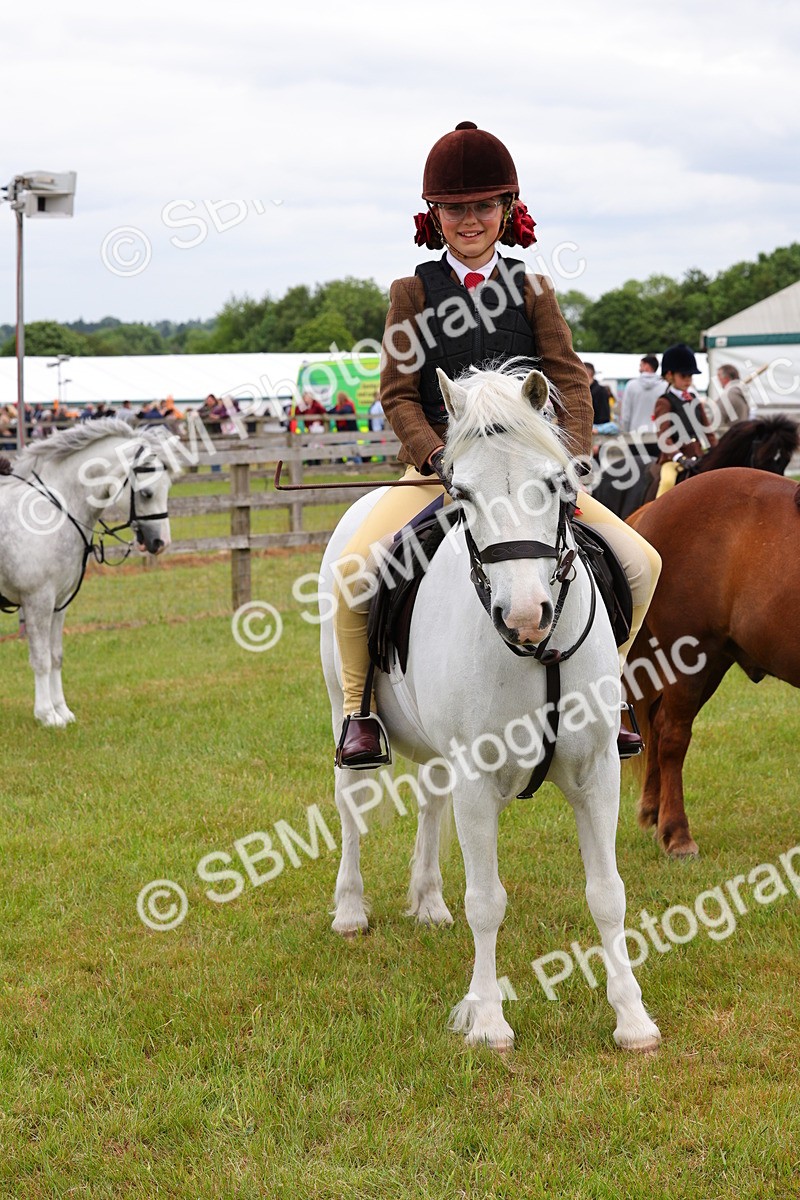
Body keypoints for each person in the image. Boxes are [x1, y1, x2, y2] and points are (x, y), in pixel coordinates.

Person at [332, 120, 662, 768]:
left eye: (483, 206)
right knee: (354, 573)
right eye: (455, 209)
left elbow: (568, 376)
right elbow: (398, 394)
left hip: (529, 476)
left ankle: (610, 689)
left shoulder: (533, 289)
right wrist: (437, 458)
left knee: (641, 563)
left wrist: (572, 456)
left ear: (507, 210)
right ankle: (358, 712)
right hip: (440, 473)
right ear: (435, 216)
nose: (470, 220)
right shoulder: (412, 293)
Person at [653, 343, 716, 497]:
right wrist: (679, 457)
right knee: (667, 481)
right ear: (670, 375)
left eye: (690, 376)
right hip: (673, 458)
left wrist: (717, 450)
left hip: (697, 455)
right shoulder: (664, 402)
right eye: (683, 376)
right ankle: (659, 509)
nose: (688, 380)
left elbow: (708, 431)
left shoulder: (694, 399)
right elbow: (664, 437)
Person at [619, 355, 666, 434]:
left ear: (646, 366)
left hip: (635, 433)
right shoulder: (665, 386)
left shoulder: (631, 385)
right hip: (658, 433)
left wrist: (626, 431)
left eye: (641, 365)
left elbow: (626, 414)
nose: (639, 368)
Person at [715, 363, 750, 429]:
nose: (718, 379)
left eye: (719, 376)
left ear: (726, 378)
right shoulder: (741, 394)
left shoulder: (728, 396)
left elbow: (715, 422)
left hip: (730, 434)